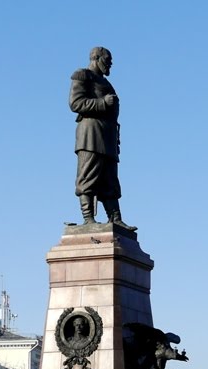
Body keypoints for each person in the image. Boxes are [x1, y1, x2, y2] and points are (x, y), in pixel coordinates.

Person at [69, 47, 135, 231]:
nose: (110, 64)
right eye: (107, 60)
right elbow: (75, 103)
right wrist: (102, 103)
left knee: (110, 180)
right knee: (88, 176)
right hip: (90, 135)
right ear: (96, 58)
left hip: (108, 137)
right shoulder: (83, 76)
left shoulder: (106, 83)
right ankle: (88, 218)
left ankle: (115, 218)